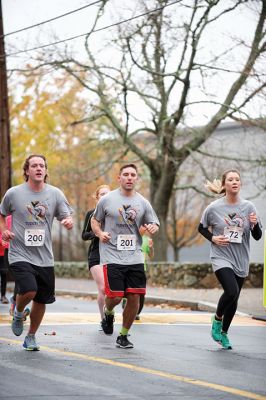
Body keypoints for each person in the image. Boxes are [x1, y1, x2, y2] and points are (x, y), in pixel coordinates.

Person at [0, 154, 73, 351]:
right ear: (27, 171)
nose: (38, 168)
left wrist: (67, 222)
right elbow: (2, 213)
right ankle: (18, 311)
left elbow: (66, 216)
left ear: (46, 171)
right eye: (34, 166)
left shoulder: (55, 194)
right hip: (19, 253)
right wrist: (4, 230)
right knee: (30, 289)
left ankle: (31, 336)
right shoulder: (14, 193)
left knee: (41, 299)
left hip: (45, 257)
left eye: (42, 166)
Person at [91, 163, 159, 349]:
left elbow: (153, 221)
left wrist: (153, 226)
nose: (129, 178)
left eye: (133, 175)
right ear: (119, 178)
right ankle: (108, 311)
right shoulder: (107, 200)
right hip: (112, 255)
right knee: (115, 297)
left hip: (135, 256)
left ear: (137, 179)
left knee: (134, 296)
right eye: (126, 174)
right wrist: (99, 233)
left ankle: (123, 335)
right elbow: (94, 221)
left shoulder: (143, 202)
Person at [198, 169, 262, 350]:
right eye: (231, 180)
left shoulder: (249, 207)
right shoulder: (214, 208)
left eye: (237, 180)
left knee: (234, 299)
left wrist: (255, 224)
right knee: (231, 291)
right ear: (225, 185)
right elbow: (201, 228)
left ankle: (224, 333)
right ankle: (217, 320)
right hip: (221, 256)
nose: (234, 182)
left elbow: (257, 236)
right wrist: (214, 238)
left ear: (240, 184)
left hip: (241, 258)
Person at [81, 184, 110, 327]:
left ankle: (109, 313)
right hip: (96, 254)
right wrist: (98, 233)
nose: (105, 196)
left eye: (107, 194)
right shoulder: (91, 214)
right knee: (103, 288)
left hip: (113, 255)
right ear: (97, 197)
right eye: (102, 194)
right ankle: (104, 318)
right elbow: (84, 235)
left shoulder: (115, 214)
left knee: (113, 290)